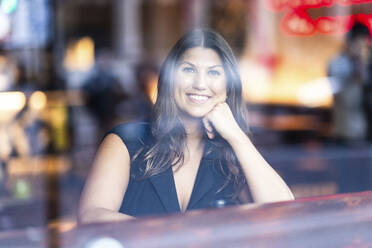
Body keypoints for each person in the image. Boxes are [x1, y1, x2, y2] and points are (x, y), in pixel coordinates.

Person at [78, 29, 294, 224]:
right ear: (170, 79)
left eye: (214, 72)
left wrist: (236, 135)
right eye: (188, 70)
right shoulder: (125, 142)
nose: (200, 84)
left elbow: (283, 212)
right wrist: (174, 232)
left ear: (228, 86)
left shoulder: (232, 154)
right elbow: (92, 216)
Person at [328, 22, 371, 144]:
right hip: (343, 132)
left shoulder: (364, 64)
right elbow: (341, 93)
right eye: (359, 43)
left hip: (362, 132)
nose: (362, 48)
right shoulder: (338, 63)